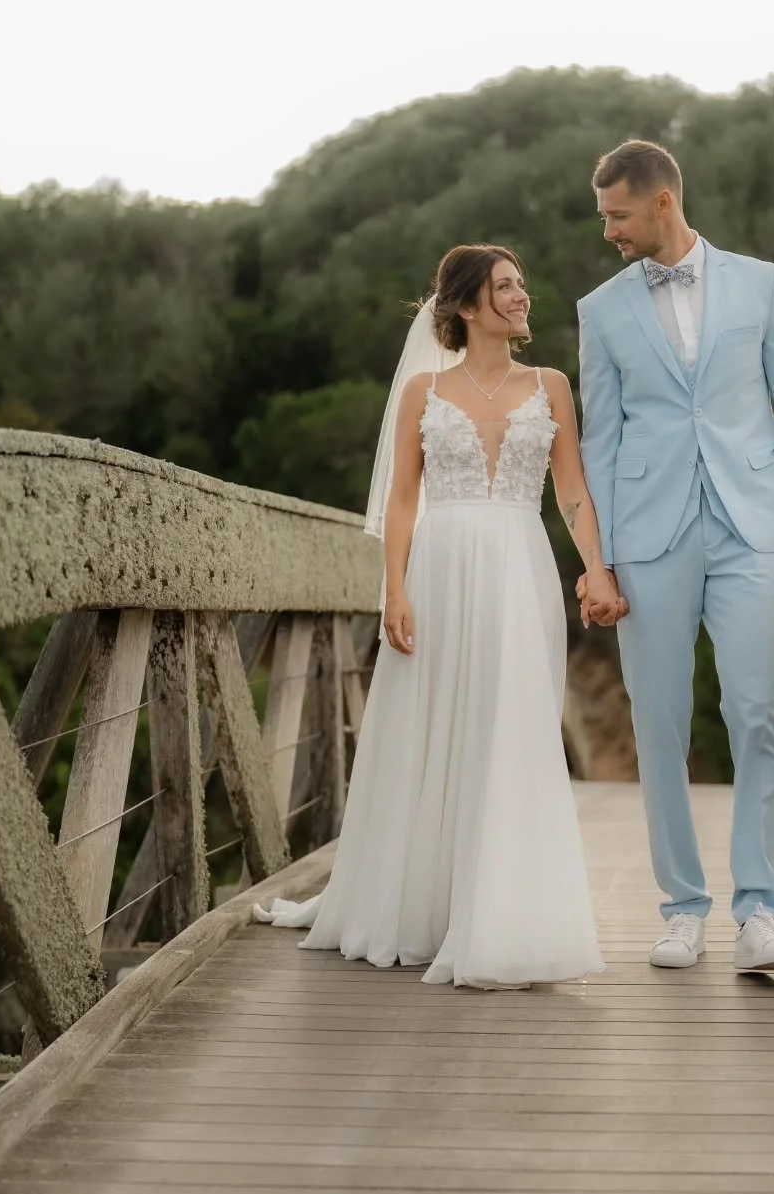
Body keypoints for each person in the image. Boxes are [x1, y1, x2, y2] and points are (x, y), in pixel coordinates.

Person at [253, 244, 615, 989]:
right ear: (466, 305)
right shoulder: (423, 390)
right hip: (439, 567)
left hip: (520, 566)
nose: (522, 297)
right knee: (429, 726)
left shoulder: (551, 386)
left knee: (510, 729)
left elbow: (571, 491)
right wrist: (396, 588)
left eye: (522, 284)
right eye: (507, 287)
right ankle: (421, 907)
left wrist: (596, 568)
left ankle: (505, 913)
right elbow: (403, 500)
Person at [575, 140, 774, 974]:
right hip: (648, 534)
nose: (608, 231)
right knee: (659, 723)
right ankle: (682, 908)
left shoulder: (762, 283)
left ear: (661, 202)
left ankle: (760, 912)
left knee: (756, 712)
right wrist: (601, 563)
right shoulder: (600, 309)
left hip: (752, 522)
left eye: (617, 215)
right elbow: (601, 440)